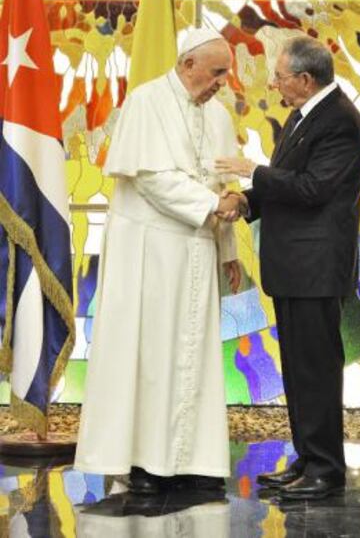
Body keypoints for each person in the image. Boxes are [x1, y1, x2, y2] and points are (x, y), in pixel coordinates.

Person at [74, 28, 242, 495]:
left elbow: (221, 185)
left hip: (197, 249)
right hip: (150, 255)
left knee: (196, 357)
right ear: (188, 65)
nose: (222, 82)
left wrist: (228, 249)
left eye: (225, 72)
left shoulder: (219, 115)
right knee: (149, 357)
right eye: (216, 72)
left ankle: (192, 460)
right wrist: (213, 207)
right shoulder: (146, 103)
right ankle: (144, 461)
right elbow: (150, 177)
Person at [216, 35, 360, 500]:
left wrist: (252, 170)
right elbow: (290, 185)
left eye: (280, 77)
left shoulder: (340, 120)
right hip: (294, 267)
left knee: (317, 370)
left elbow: (313, 189)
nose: (275, 85)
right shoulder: (305, 115)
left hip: (316, 268)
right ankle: (307, 459)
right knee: (298, 371)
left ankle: (326, 469)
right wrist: (246, 201)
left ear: (304, 79)